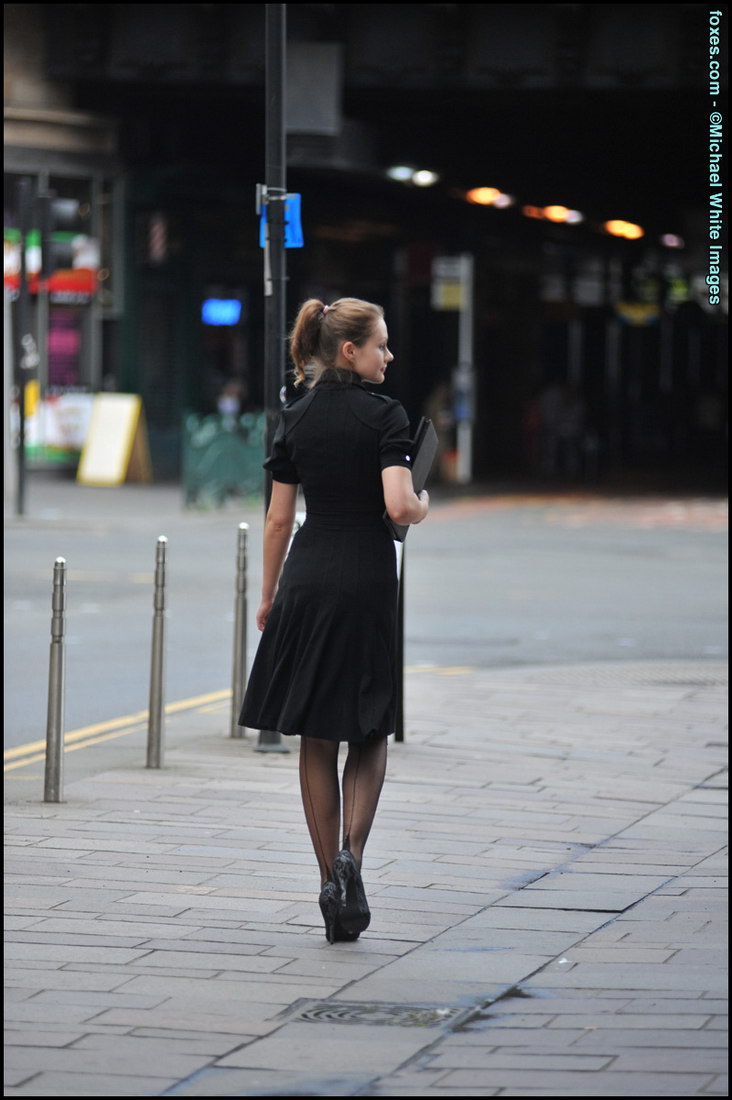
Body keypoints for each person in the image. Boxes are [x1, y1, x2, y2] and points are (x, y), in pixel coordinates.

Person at [239, 297, 429, 944]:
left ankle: (328, 879)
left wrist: (269, 595)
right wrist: (423, 503)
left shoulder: (294, 417)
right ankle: (352, 855)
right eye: (381, 344)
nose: (389, 355)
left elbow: (276, 520)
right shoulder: (386, 415)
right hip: (366, 579)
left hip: (308, 576)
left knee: (317, 735)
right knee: (369, 727)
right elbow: (398, 505)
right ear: (351, 351)